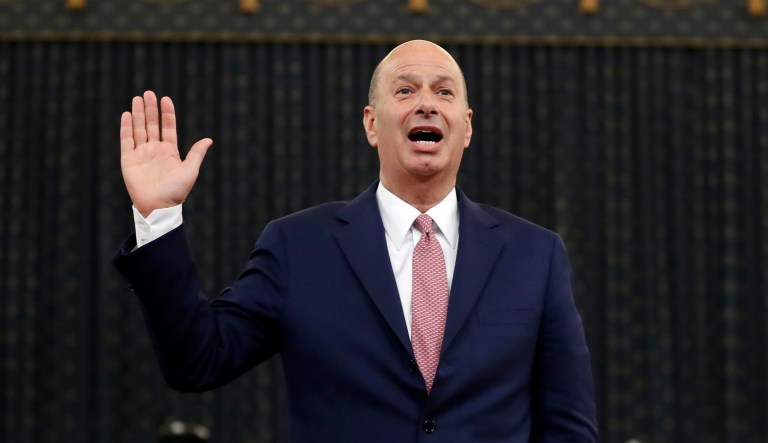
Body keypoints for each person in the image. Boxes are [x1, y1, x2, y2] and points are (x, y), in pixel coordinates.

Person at [113, 39, 597, 442]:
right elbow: (198, 360)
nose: (426, 102)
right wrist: (159, 218)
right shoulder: (299, 246)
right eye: (405, 90)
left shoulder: (535, 254)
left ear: (466, 126)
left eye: (444, 92)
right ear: (371, 123)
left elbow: (568, 426)